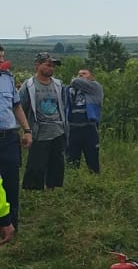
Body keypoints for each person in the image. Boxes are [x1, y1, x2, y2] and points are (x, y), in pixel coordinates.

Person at [19, 53, 67, 190]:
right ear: (38, 65)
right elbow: (21, 107)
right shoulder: (28, 86)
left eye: (53, 66)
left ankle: (54, 188)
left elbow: (62, 105)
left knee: (57, 162)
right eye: (48, 64)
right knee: (36, 163)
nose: (51, 68)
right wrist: (25, 130)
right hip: (39, 130)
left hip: (58, 129)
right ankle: (33, 190)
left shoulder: (58, 84)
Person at [0, 43, 26, 228]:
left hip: (9, 137)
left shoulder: (7, 78)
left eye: (3, 57)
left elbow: (16, 106)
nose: (2, 61)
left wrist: (27, 130)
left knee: (11, 182)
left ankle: (12, 225)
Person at [65, 68, 103, 173]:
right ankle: (74, 183)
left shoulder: (95, 87)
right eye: (79, 74)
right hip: (72, 129)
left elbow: (75, 81)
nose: (80, 75)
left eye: (84, 73)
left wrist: (75, 80)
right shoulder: (70, 90)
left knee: (92, 160)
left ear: (91, 77)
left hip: (89, 128)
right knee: (71, 160)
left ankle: (95, 182)